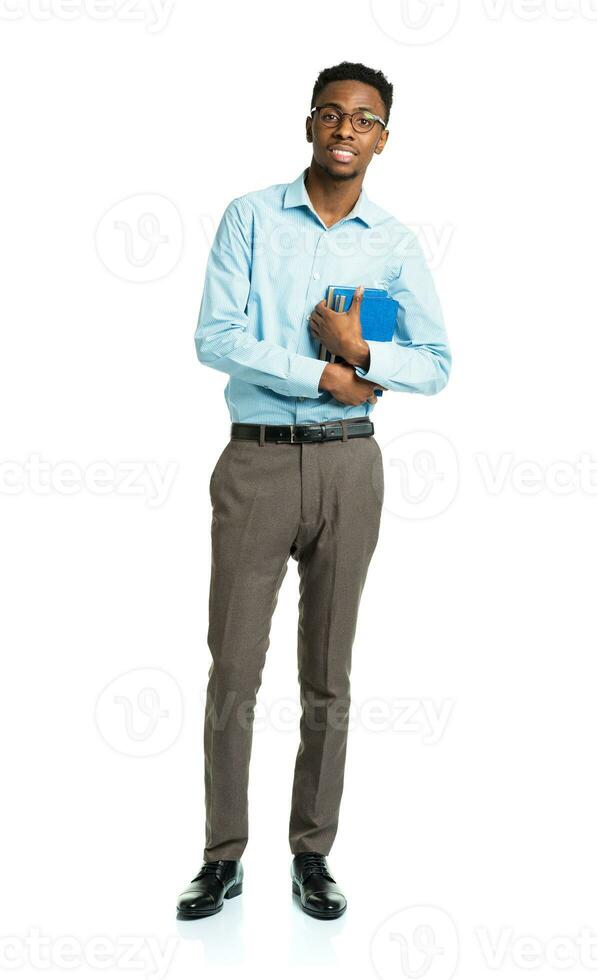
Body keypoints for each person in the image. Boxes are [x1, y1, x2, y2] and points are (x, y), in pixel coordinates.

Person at [176, 60, 451, 921]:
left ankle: (313, 854)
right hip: (257, 463)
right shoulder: (250, 218)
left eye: (362, 120)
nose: (344, 129)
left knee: (328, 674)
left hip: (349, 467)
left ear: (381, 139)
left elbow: (437, 366)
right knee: (235, 669)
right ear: (307, 125)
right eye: (330, 114)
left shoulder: (394, 241)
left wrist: (364, 356)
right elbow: (214, 337)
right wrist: (321, 372)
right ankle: (222, 858)